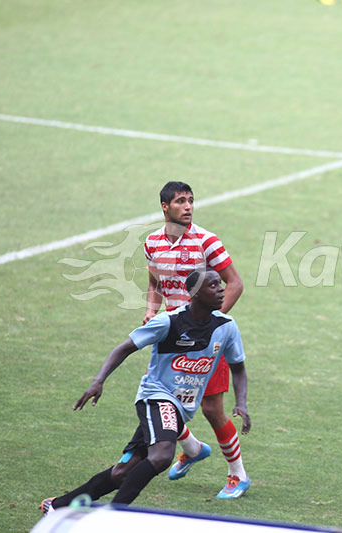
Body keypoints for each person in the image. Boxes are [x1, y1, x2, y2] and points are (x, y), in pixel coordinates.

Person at [40, 269, 251, 515]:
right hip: (156, 397)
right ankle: (114, 515)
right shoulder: (169, 322)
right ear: (194, 293)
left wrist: (242, 403)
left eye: (220, 284)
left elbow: (238, 368)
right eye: (213, 285)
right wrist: (98, 381)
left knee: (122, 473)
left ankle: (56, 506)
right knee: (162, 456)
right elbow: (123, 348)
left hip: (179, 410)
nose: (221, 289)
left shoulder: (226, 326)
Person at [143, 181, 249, 498]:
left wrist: (211, 324)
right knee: (161, 399)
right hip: (170, 336)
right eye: (180, 201)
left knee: (212, 409)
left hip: (204, 340)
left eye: (191, 201)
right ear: (165, 206)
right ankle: (191, 448)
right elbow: (154, 282)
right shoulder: (152, 243)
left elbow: (235, 284)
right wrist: (151, 312)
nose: (188, 206)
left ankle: (238, 475)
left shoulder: (206, 241)